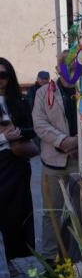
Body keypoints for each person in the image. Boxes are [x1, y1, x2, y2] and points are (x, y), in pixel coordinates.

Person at [32, 56, 79, 259]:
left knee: (80, 213)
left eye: (73, 64)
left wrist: (78, 141)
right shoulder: (44, 93)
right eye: (65, 64)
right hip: (54, 161)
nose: (69, 67)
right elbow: (40, 124)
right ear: (57, 69)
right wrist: (63, 141)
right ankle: (50, 258)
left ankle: (79, 258)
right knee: (52, 212)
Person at [0, 57, 37, 266]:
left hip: (16, 163)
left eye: (3, 75)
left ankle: (11, 259)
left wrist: (18, 133)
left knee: (16, 213)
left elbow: (32, 130)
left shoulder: (18, 102)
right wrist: (6, 137)